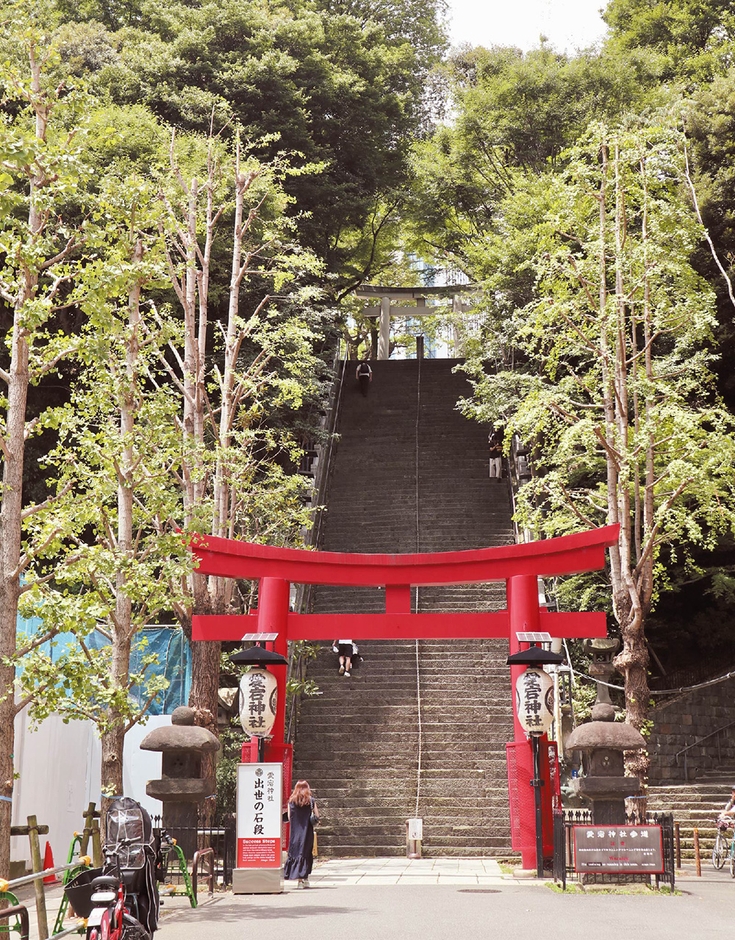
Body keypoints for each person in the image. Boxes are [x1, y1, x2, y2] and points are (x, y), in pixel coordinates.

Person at [284, 780, 319, 888]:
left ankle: (299, 881)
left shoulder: (291, 802)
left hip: (295, 833)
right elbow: (317, 816)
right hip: (307, 832)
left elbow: (289, 817)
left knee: (296, 853)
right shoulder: (311, 801)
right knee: (306, 854)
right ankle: (305, 879)